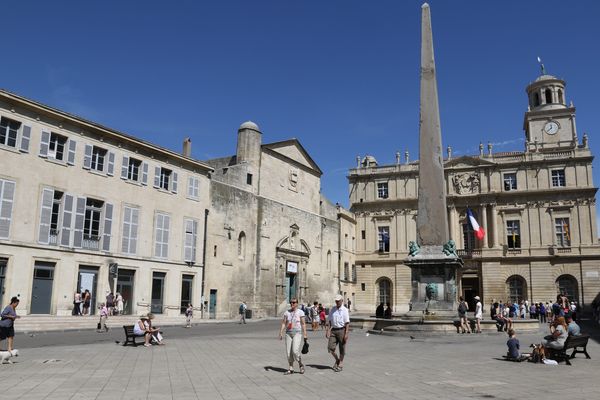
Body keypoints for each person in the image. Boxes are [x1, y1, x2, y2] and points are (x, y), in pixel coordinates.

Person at [278, 298, 307, 375]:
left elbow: (303, 324)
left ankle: (300, 364)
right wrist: (281, 332)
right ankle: (291, 368)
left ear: (297, 303)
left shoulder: (300, 312)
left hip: (297, 333)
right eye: (291, 302)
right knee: (288, 352)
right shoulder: (287, 312)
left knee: (295, 351)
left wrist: (305, 334)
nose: (292, 304)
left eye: (294, 302)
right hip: (288, 333)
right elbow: (284, 323)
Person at [326, 294, 350, 372]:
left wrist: (346, 333)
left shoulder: (345, 310)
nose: (337, 302)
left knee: (342, 348)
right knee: (330, 348)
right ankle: (337, 360)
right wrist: (328, 331)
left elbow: (347, 323)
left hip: (341, 330)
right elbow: (329, 320)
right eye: (336, 301)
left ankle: (341, 363)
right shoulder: (333, 309)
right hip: (333, 330)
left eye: (338, 301)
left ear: (342, 301)